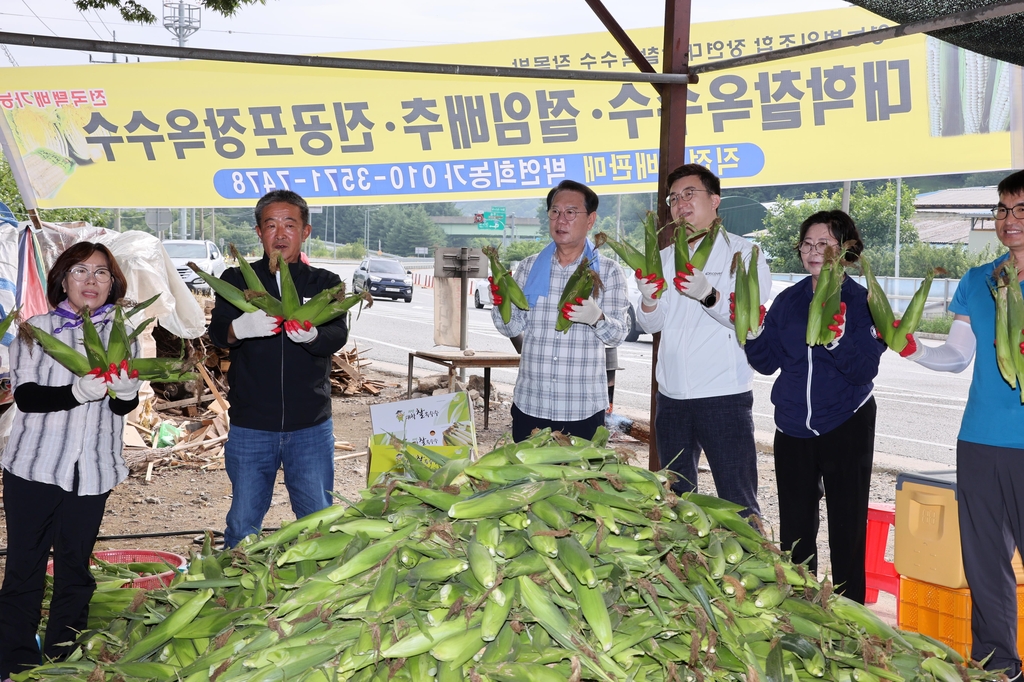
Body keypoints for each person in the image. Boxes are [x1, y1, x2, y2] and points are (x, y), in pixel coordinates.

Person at [895, 169, 1024, 676]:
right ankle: (997, 662)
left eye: (1021, 210)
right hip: (980, 439)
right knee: (984, 560)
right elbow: (956, 356)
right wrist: (913, 350)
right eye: (1002, 210)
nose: (1009, 221)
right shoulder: (980, 280)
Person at [0, 243, 141, 679]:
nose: (91, 281)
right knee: (24, 566)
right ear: (63, 280)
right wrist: (76, 392)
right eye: (81, 271)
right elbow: (25, 395)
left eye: (101, 273)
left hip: (93, 472)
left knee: (75, 569)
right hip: (34, 468)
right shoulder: (34, 330)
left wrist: (127, 394)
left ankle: (64, 660)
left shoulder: (123, 333)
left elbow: (119, 410)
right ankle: (14, 661)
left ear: (112, 283)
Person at [743, 211, 885, 602]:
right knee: (795, 529)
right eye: (807, 244)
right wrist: (751, 332)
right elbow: (766, 362)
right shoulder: (788, 300)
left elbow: (863, 370)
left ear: (847, 250)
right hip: (792, 427)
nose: (813, 251)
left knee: (847, 525)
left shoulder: (862, 301)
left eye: (824, 243)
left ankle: (849, 614)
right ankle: (800, 608)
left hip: (846, 421)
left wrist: (837, 338)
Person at [209, 190, 348, 548]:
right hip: (252, 424)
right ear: (259, 232)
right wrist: (239, 329)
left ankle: (316, 594)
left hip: (310, 425)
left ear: (306, 231)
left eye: (290, 224)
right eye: (271, 225)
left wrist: (314, 335)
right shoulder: (236, 279)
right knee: (242, 524)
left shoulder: (324, 282)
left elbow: (338, 334)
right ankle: (234, 591)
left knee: (317, 521)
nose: (281, 233)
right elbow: (218, 334)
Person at [634, 163, 770, 515]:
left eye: (689, 194)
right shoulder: (663, 258)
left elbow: (749, 318)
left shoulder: (745, 253)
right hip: (672, 397)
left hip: (723, 396)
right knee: (677, 499)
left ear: (715, 200)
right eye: (673, 198)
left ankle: (748, 564)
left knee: (737, 498)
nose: (680, 204)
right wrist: (648, 300)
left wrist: (708, 293)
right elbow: (651, 324)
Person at [490, 179, 629, 442]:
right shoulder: (529, 268)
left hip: (582, 408)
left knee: (579, 482)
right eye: (555, 212)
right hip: (531, 404)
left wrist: (596, 318)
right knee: (528, 482)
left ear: (590, 220)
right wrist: (501, 302)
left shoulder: (608, 271)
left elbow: (617, 336)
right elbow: (511, 327)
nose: (560, 220)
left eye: (571, 212)